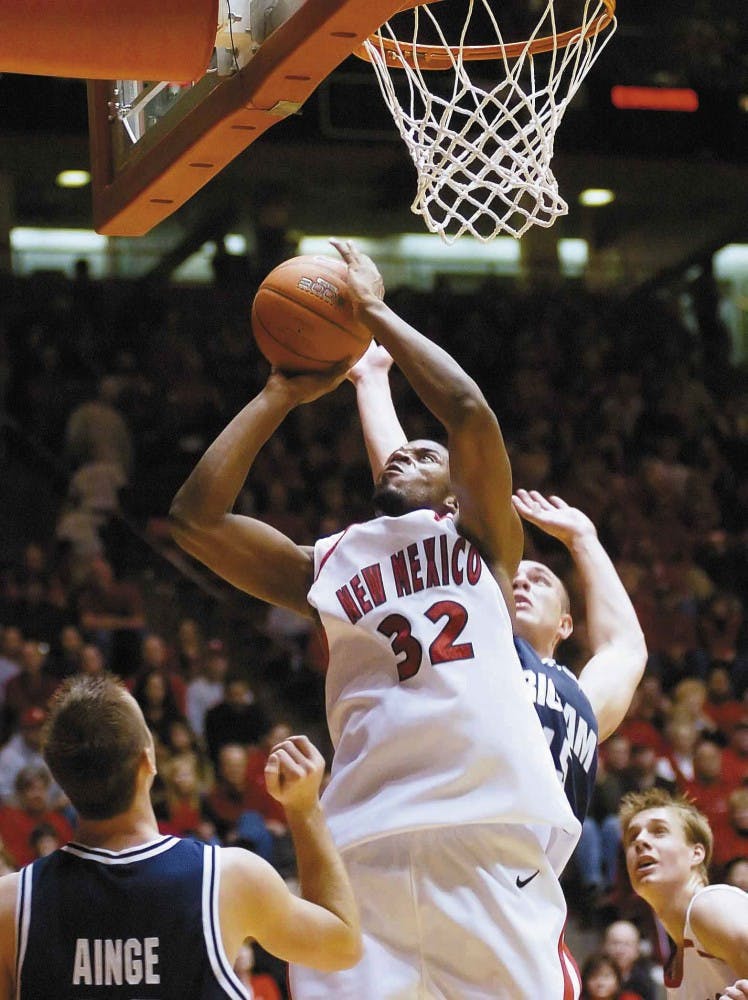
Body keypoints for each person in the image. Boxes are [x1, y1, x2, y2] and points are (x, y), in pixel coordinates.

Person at [170, 239, 581, 998]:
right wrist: (280, 396)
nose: (400, 456)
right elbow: (195, 520)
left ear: (456, 490)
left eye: (422, 456)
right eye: (397, 452)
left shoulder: (481, 540)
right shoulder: (327, 564)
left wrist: (372, 313)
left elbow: (464, 411)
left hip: (484, 827)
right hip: (363, 842)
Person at [349, 341, 648, 827]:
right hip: (439, 832)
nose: (524, 582)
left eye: (543, 580)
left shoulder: (582, 698)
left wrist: (584, 538)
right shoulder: (471, 641)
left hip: (525, 882)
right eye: (519, 577)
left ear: (567, 625)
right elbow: (415, 504)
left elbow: (626, 648)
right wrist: (372, 379)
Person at [0, 673, 361, 999]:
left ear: (57, 773)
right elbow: (342, 946)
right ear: (148, 762)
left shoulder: (12, 905)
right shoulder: (228, 878)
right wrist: (303, 808)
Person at [619, 787, 748, 999]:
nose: (640, 842)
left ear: (696, 854)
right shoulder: (676, 968)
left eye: (659, 831)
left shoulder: (710, 906)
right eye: (633, 837)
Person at [602, 919, 658, 1000]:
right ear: (604, 946)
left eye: (627, 944)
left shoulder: (645, 982)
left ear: (637, 950)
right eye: (615, 943)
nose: (620, 950)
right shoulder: (592, 978)